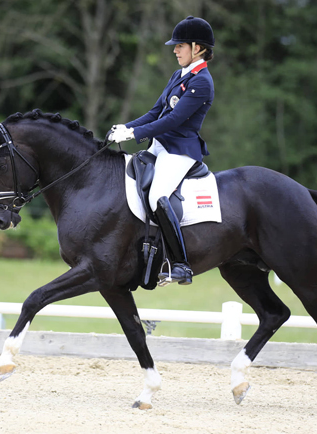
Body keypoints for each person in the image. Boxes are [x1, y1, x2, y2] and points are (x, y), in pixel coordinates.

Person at [108, 16, 215, 286]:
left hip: (180, 150)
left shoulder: (202, 81)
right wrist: (125, 126)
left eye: (180, 46)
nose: (175, 50)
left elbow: (174, 120)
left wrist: (134, 134)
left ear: (197, 48)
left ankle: (180, 265)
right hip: (160, 146)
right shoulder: (178, 75)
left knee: (157, 196)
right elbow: (155, 112)